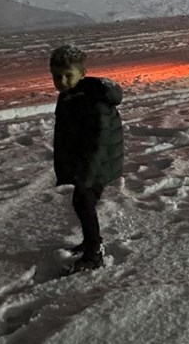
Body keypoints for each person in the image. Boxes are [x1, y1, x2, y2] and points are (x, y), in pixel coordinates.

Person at [49, 44, 124, 273]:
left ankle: (94, 253)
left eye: (67, 75)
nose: (62, 81)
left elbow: (100, 139)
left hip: (97, 164)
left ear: (82, 73)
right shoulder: (71, 95)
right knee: (82, 203)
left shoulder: (92, 100)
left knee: (83, 202)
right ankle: (91, 242)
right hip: (86, 162)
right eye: (57, 76)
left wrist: (89, 172)